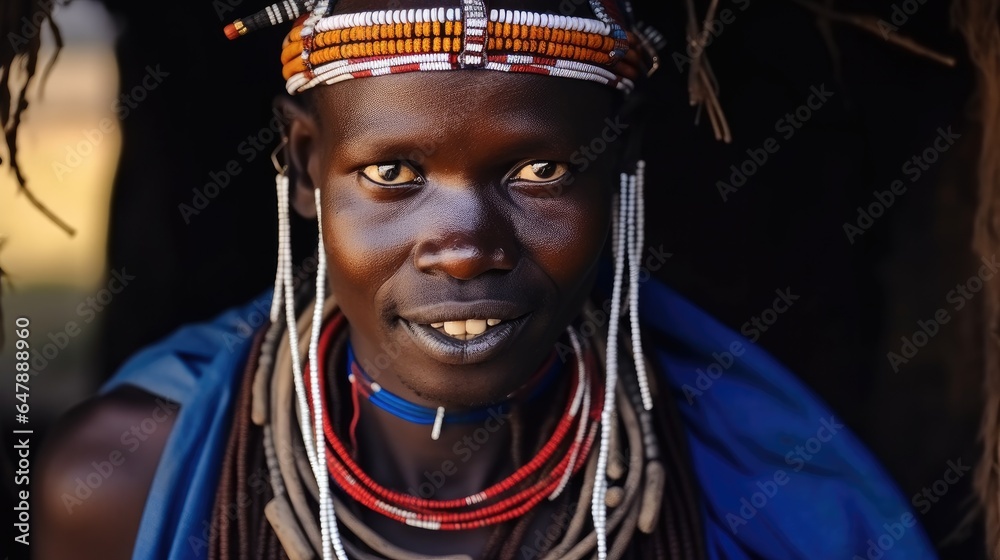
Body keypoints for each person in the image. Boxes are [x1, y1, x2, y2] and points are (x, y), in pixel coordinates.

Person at [35, 0, 940, 558]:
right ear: (307, 165)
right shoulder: (119, 483)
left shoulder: (766, 490)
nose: (465, 247)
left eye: (539, 173)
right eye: (393, 176)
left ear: (618, 168)